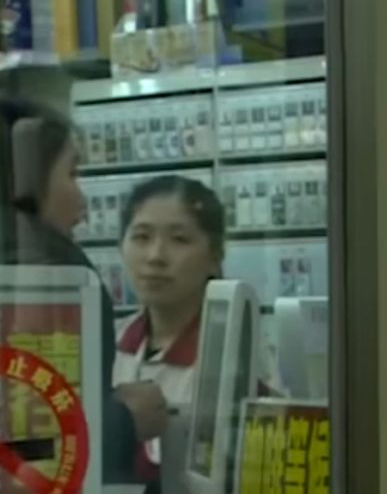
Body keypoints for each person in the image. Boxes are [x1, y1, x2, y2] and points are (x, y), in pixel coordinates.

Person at [0, 98, 167, 486]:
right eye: (72, 174)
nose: (83, 203)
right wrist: (124, 420)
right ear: (25, 182)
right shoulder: (48, 274)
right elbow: (33, 449)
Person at [112, 175, 225, 487]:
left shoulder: (231, 356)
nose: (156, 256)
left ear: (215, 256)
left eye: (179, 239)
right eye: (141, 236)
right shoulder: (107, 343)